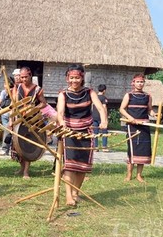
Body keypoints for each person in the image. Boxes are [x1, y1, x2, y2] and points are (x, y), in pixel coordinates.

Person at [56, 65, 108, 206]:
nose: (74, 80)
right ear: (67, 78)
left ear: (82, 77)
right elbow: (60, 113)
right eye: (72, 78)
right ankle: (68, 196)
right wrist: (62, 124)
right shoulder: (63, 94)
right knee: (70, 165)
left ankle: (76, 192)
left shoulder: (89, 92)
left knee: (83, 166)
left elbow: (99, 107)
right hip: (69, 132)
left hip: (86, 131)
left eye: (77, 77)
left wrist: (104, 120)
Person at [8, 66, 47, 179]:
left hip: (31, 121)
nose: (24, 79)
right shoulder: (17, 87)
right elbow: (13, 104)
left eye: (26, 77)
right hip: (18, 120)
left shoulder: (37, 89)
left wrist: (33, 108)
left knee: (27, 145)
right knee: (17, 145)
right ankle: (21, 168)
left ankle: (26, 171)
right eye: (22, 77)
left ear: (30, 76)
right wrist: (11, 120)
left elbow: (43, 103)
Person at [119, 74, 157, 183]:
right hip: (132, 126)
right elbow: (122, 109)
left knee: (143, 151)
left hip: (144, 125)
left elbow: (149, 110)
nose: (140, 84)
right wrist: (131, 118)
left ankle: (139, 175)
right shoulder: (129, 95)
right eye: (138, 82)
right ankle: (129, 175)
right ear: (133, 83)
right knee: (132, 150)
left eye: (142, 82)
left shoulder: (148, 96)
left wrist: (155, 114)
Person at [0, 70, 19, 156]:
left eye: (19, 76)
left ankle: (18, 152)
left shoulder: (24, 87)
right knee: (8, 130)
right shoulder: (13, 89)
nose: (17, 78)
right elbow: (13, 104)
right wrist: (12, 118)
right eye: (16, 76)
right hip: (13, 114)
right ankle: (5, 149)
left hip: (24, 114)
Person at [92, 84, 109, 152]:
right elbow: (104, 108)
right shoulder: (104, 98)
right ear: (104, 90)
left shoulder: (95, 97)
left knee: (95, 132)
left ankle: (95, 147)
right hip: (101, 117)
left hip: (94, 116)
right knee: (104, 132)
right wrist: (105, 118)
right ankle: (104, 146)